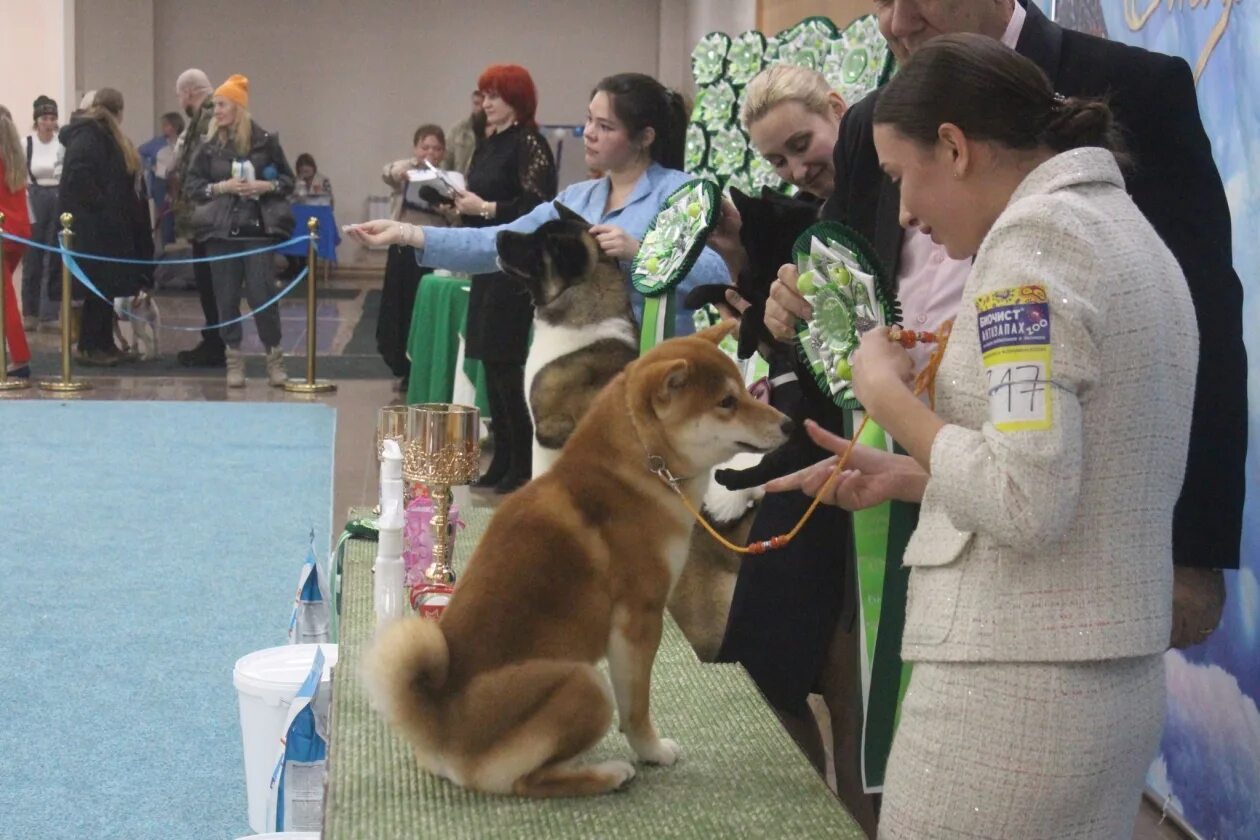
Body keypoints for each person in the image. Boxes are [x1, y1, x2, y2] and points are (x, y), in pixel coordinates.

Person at [770, 34, 1197, 838]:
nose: (902, 214)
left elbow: (1024, 499)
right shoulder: (1116, 226)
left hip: (1015, 687)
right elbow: (1073, 466)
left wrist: (885, 397)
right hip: (1092, 675)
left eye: (901, 178)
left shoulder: (1033, 250)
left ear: (956, 148)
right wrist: (909, 476)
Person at [765, 0, 1248, 652]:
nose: (895, 22)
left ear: (959, 149)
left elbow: (1205, 322)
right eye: (880, 0)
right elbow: (851, 300)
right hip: (899, 484)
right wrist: (800, 311)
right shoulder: (868, 126)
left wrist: (1194, 548)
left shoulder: (1136, 90)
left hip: (1061, 535)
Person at [347, 71, 733, 490]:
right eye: (589, 121)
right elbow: (495, 243)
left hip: (662, 387)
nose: (589, 134)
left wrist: (643, 251)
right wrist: (407, 234)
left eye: (605, 127)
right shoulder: (576, 199)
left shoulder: (682, 194)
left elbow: (718, 276)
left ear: (645, 136)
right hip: (584, 387)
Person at [697, 62, 878, 833]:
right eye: (777, 159)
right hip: (812, 451)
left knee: (851, 689)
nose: (797, 167)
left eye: (803, 144)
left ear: (840, 111)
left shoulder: (883, 199)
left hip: (860, 463)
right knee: (771, 668)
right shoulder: (805, 215)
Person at [184, 73, 295, 388]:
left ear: (237, 107)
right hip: (220, 233)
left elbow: (288, 182)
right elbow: (192, 187)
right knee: (226, 299)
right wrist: (222, 186)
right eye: (215, 105)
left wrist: (265, 185)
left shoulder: (266, 142)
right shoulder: (207, 147)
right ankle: (234, 360)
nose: (215, 111)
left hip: (257, 231)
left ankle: (274, 360)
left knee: (263, 296)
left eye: (221, 104)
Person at [58, 88, 154, 366]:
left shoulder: (100, 135)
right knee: (96, 289)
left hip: (105, 225)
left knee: (106, 288)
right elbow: (80, 178)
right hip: (92, 226)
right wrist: (104, 206)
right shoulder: (89, 136)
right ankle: (90, 346)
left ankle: (104, 342)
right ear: (119, 112)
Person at [376, 124, 454, 391]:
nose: (430, 152)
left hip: (433, 249)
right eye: (425, 147)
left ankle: (424, 367)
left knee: (425, 310)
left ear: (443, 152)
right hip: (402, 247)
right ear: (416, 148)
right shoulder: (405, 172)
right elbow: (388, 173)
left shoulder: (451, 179)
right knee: (399, 306)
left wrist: (447, 207)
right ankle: (401, 366)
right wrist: (409, 169)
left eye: (436, 148)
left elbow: (458, 216)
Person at [169, 69, 225, 369]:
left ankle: (216, 344)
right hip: (210, 214)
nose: (180, 101)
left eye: (180, 95)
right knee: (211, 282)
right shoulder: (213, 113)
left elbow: (201, 167)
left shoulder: (207, 118)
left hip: (208, 216)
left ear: (189, 92)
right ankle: (214, 339)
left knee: (211, 282)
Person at [20, 95, 63, 331]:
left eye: (52, 118)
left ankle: (50, 313)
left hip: (56, 195)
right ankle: (30, 312)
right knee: (33, 255)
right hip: (34, 196)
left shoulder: (61, 143)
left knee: (52, 255)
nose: (49, 122)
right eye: (45, 118)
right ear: (37, 120)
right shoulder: (26, 142)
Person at [0, 105, 33, 378]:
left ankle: (20, 358)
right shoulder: (16, 157)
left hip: (2, 231)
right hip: (19, 231)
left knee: (6, 298)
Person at [138, 111, 185, 247]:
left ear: (175, 126)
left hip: (179, 182)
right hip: (161, 182)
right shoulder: (157, 143)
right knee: (166, 215)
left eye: (167, 125)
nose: (163, 128)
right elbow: (138, 152)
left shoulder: (183, 141)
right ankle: (167, 246)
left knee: (181, 214)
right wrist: (149, 166)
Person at [444, 90, 484, 175]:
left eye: (483, 104)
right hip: (459, 183)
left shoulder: (500, 131)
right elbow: (445, 160)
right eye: (476, 104)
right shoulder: (459, 129)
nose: (480, 108)